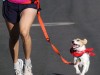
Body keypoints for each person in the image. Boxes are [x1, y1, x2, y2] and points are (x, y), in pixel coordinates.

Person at [2, 0, 38, 75]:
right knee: (13, 37)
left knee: (24, 32)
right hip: (10, 4)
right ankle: (17, 66)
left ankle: (27, 65)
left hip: (28, 3)